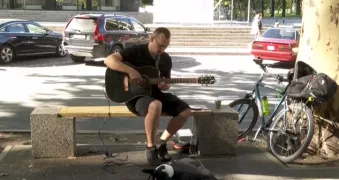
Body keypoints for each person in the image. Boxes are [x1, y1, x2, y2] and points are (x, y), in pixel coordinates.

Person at [104, 27, 191, 166]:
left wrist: (165, 85)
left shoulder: (165, 59)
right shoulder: (136, 51)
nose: (162, 50)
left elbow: (165, 81)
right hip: (135, 97)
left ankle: (162, 144)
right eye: (160, 45)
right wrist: (131, 71)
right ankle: (151, 148)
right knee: (155, 105)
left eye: (165, 47)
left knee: (185, 110)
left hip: (156, 94)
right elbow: (109, 60)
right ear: (152, 39)